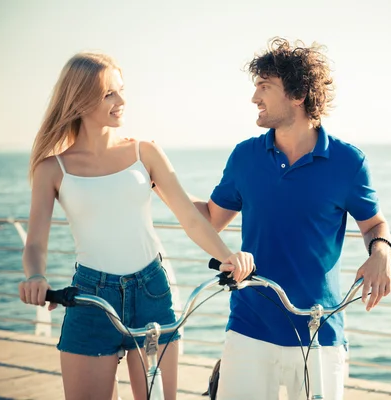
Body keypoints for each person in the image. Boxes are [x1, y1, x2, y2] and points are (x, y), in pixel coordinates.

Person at [17, 52, 254, 400]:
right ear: (80, 98)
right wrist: (35, 275)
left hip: (152, 293)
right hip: (90, 299)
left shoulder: (146, 153)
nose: (122, 101)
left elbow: (189, 217)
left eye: (121, 90)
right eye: (109, 93)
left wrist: (226, 257)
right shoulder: (52, 169)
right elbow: (36, 242)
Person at [192, 38, 391, 400]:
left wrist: (381, 254)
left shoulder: (348, 162)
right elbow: (210, 218)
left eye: (265, 87)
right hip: (249, 325)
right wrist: (158, 182)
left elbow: (374, 225)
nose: (255, 98)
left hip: (320, 330)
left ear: (298, 94)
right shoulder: (245, 156)